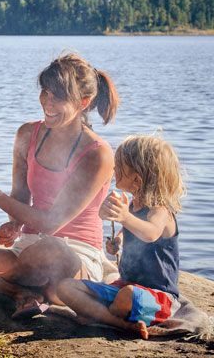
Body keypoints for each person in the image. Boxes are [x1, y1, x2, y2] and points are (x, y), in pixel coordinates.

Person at [0, 53, 119, 317]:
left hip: (74, 257)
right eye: (45, 92)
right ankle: (19, 292)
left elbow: (51, 224)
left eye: (58, 97)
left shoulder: (98, 154)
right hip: (26, 250)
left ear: (83, 103)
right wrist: (15, 224)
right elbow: (20, 196)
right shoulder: (27, 134)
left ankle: (1, 280)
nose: (47, 102)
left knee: (50, 250)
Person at [58, 135, 184, 339]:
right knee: (65, 287)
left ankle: (101, 315)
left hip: (157, 296)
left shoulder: (160, 210)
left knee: (128, 296)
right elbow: (128, 230)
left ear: (137, 178)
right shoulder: (133, 204)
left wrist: (125, 217)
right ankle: (119, 322)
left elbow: (150, 233)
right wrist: (118, 241)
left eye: (119, 166)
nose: (114, 170)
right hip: (124, 285)